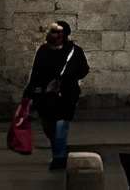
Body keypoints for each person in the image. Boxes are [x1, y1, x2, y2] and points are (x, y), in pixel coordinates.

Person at [24, 22, 89, 173]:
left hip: (66, 94)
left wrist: (66, 79)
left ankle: (59, 158)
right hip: (46, 96)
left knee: (61, 125)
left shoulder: (75, 51)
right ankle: (59, 150)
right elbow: (36, 73)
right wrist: (29, 93)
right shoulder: (43, 50)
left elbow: (84, 70)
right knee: (48, 127)